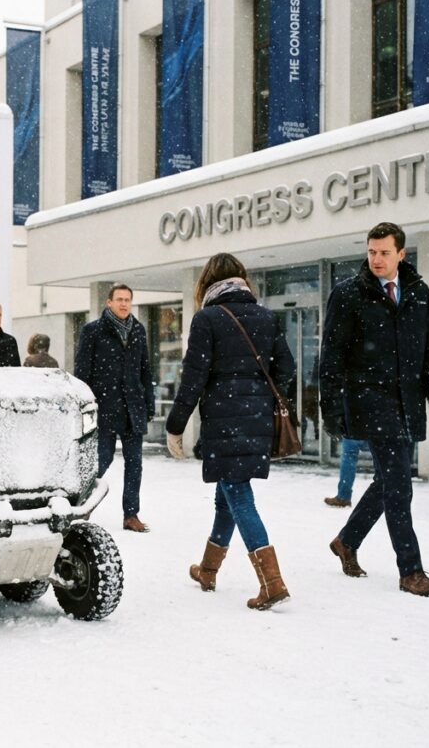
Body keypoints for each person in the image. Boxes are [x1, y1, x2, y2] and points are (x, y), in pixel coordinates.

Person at [320, 221, 429, 597]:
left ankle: (347, 540)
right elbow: (331, 357)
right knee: (399, 485)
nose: (376, 259)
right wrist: (331, 408)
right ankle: (411, 570)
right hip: (370, 402)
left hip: (407, 401)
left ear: (401, 254)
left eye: (383, 253)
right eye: (371, 252)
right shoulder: (349, 294)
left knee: (388, 481)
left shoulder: (418, 292)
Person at [165, 255, 296, 609]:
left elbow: (193, 380)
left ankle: (273, 582)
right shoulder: (266, 317)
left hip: (224, 420)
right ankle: (208, 570)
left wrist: (175, 426)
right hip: (255, 418)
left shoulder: (207, 319)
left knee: (238, 494)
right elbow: (286, 367)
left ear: (207, 283)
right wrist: (257, 395)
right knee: (228, 494)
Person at [74, 283, 155, 533]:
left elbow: (145, 369)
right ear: (108, 302)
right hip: (104, 407)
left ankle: (131, 515)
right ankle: (81, 506)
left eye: (127, 300)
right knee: (102, 460)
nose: (123, 304)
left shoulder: (138, 330)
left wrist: (148, 403)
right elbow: (81, 373)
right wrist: (86, 406)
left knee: (135, 464)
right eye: (119, 299)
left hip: (132, 408)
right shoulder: (93, 331)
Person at [324, 438, 370, 507]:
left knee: (349, 455)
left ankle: (343, 497)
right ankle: (388, 494)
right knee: (385, 452)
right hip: (381, 431)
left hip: (355, 432)